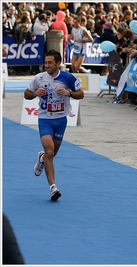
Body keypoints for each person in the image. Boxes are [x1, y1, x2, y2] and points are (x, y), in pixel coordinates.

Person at [24, 49, 84, 201]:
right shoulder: (39, 78)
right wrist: (35, 93)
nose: (47, 65)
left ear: (58, 63)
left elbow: (81, 94)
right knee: (50, 151)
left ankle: (42, 158)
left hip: (61, 120)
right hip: (45, 120)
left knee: (51, 154)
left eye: (50, 63)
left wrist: (69, 94)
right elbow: (27, 94)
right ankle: (53, 188)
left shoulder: (67, 77)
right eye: (45, 62)